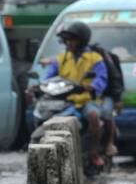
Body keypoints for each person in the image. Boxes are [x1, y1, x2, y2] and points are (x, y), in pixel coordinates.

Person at [45, 20, 110, 170]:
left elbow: (102, 78)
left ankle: (93, 152)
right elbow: (49, 77)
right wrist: (39, 86)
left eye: (71, 40)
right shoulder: (61, 58)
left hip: (87, 100)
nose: (68, 43)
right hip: (66, 100)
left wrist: (93, 87)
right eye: (66, 40)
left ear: (81, 40)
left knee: (94, 116)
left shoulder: (95, 58)